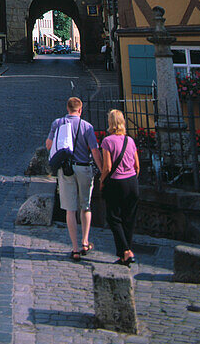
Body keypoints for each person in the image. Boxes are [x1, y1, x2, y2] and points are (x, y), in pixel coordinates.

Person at [46, 96, 101, 261]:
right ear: (80, 109)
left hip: (66, 169)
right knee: (85, 205)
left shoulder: (58, 123)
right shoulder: (87, 126)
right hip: (84, 167)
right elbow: (95, 150)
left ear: (67, 108)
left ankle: (75, 248)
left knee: (70, 209)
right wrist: (102, 169)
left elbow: (49, 145)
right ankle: (85, 241)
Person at [100, 109, 140, 266]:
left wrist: (102, 181)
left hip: (117, 182)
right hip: (132, 182)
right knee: (129, 218)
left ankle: (126, 251)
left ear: (110, 123)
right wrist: (132, 178)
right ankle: (125, 253)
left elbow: (107, 167)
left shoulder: (107, 141)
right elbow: (137, 166)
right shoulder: (130, 140)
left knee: (113, 218)